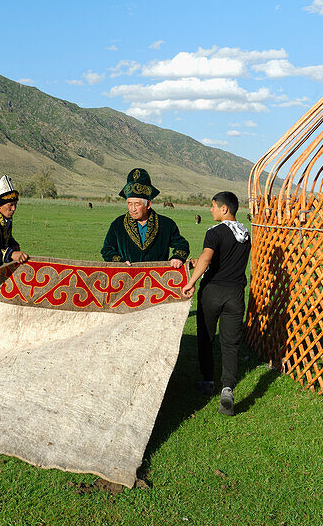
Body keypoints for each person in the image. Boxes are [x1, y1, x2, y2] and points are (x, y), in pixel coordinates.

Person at [186, 191, 251, 416]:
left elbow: (207, 257)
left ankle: (207, 382)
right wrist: (197, 261)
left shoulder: (214, 232)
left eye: (213, 206)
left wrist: (191, 281)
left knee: (206, 337)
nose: (210, 210)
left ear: (224, 209)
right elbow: (224, 259)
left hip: (213, 292)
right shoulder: (245, 233)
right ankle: (227, 388)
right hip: (235, 294)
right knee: (230, 343)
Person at [100, 168, 189, 266]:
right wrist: (119, 262)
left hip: (157, 278)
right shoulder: (118, 224)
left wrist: (177, 257)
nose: (133, 209)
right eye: (129, 204)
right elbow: (107, 249)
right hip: (126, 277)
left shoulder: (166, 224)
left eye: (137, 204)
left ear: (148, 204)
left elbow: (182, 244)